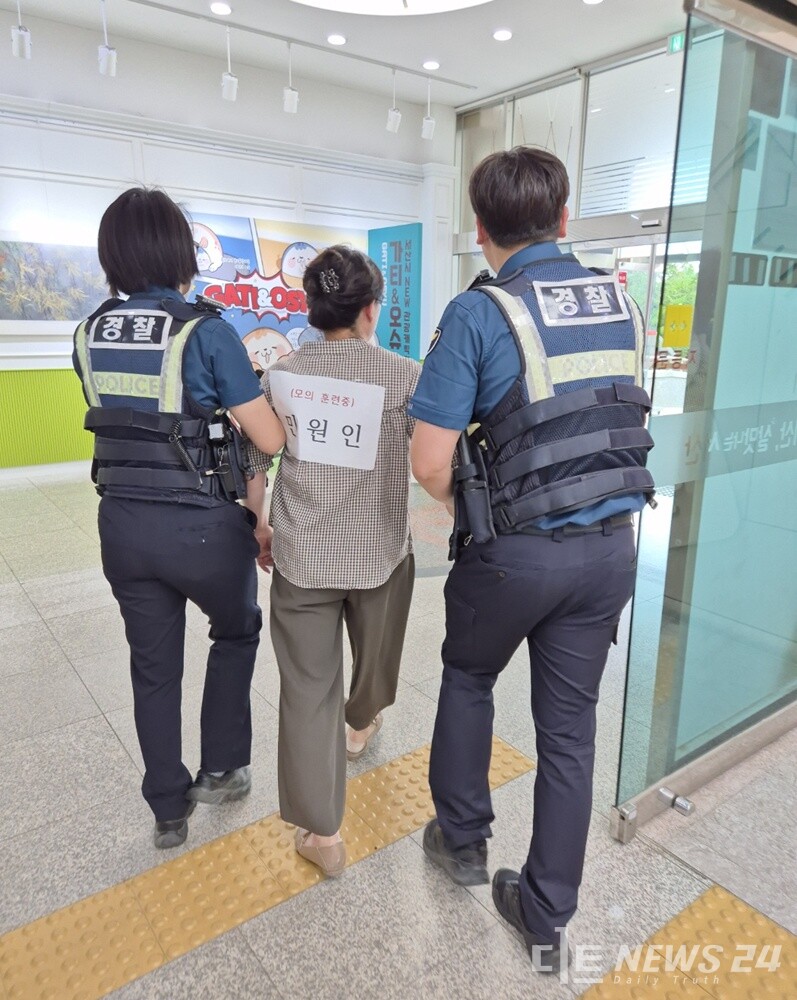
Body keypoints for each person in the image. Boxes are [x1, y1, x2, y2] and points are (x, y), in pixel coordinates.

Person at [408, 147, 654, 974]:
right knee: (570, 734)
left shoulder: (479, 313)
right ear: (564, 218)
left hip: (512, 554)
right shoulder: (621, 302)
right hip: (610, 553)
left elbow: (429, 460)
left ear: (479, 228)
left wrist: (471, 512)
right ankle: (546, 919)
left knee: (468, 677)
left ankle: (462, 841)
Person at [72, 187, 286, 849]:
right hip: (203, 528)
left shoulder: (88, 333)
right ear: (178, 252)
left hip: (122, 526)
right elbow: (269, 438)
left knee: (153, 666)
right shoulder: (207, 332)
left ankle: (168, 808)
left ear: (111, 255)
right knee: (237, 629)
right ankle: (221, 768)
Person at [249, 245, 420, 877]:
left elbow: (257, 462)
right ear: (371, 309)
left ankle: (322, 836)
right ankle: (361, 720)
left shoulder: (280, 376)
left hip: (302, 555)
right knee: (376, 659)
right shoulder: (406, 377)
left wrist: (260, 523)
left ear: (313, 310)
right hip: (380, 550)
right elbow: (433, 458)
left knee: (306, 688)